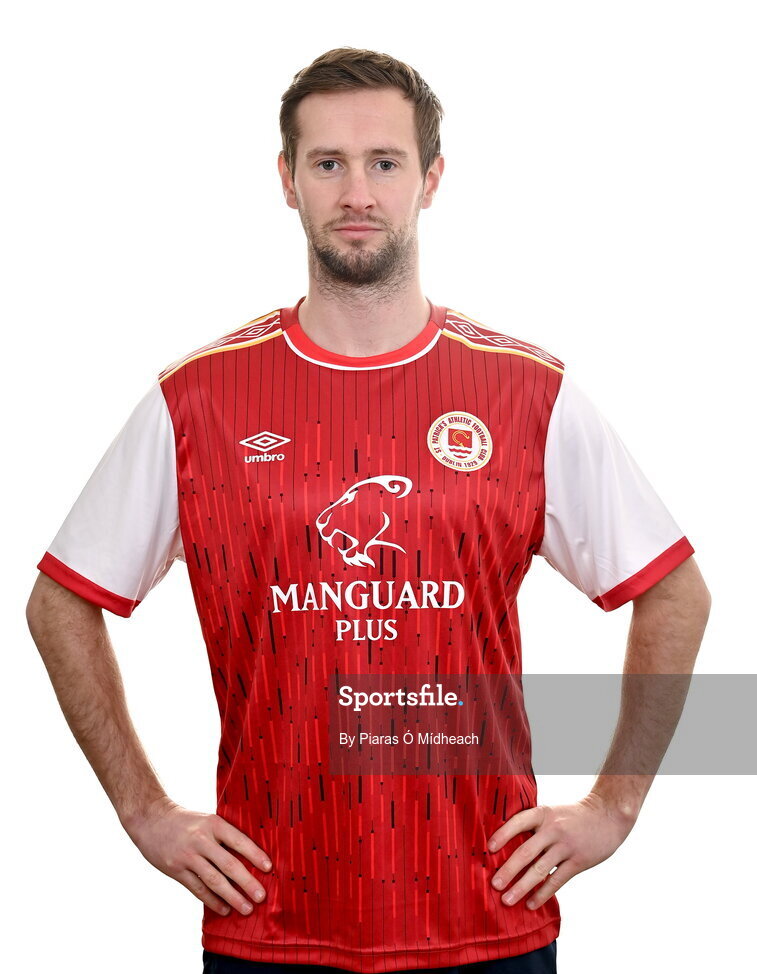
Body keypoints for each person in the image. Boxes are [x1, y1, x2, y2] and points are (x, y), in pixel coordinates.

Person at [26, 46, 710, 974]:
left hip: (485, 913)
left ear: (430, 179)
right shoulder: (199, 401)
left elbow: (676, 592)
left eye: (384, 162)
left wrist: (613, 806)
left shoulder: (525, 394)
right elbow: (59, 603)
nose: (357, 192)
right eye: (328, 163)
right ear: (287, 180)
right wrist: (143, 811)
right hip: (270, 918)